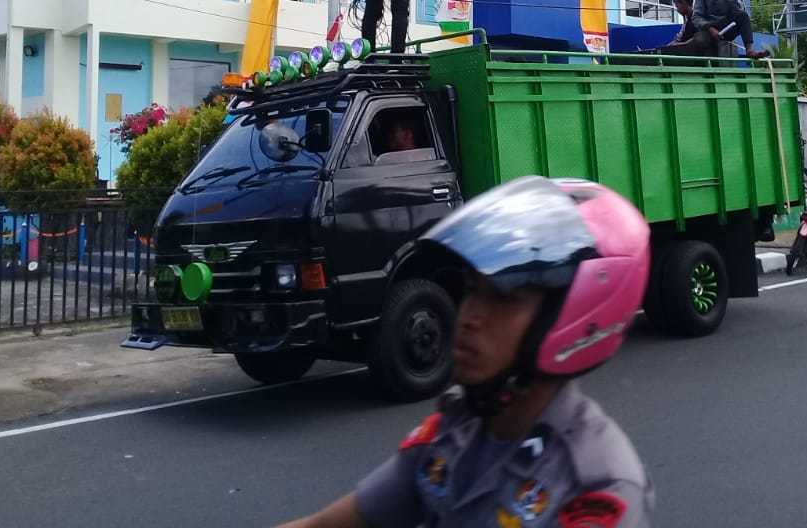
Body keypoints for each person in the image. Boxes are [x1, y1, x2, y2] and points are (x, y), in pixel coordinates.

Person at [272, 175, 655, 528]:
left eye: (504, 297)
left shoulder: (592, 486)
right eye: (472, 289)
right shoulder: (455, 430)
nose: (469, 316)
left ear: (576, 311)